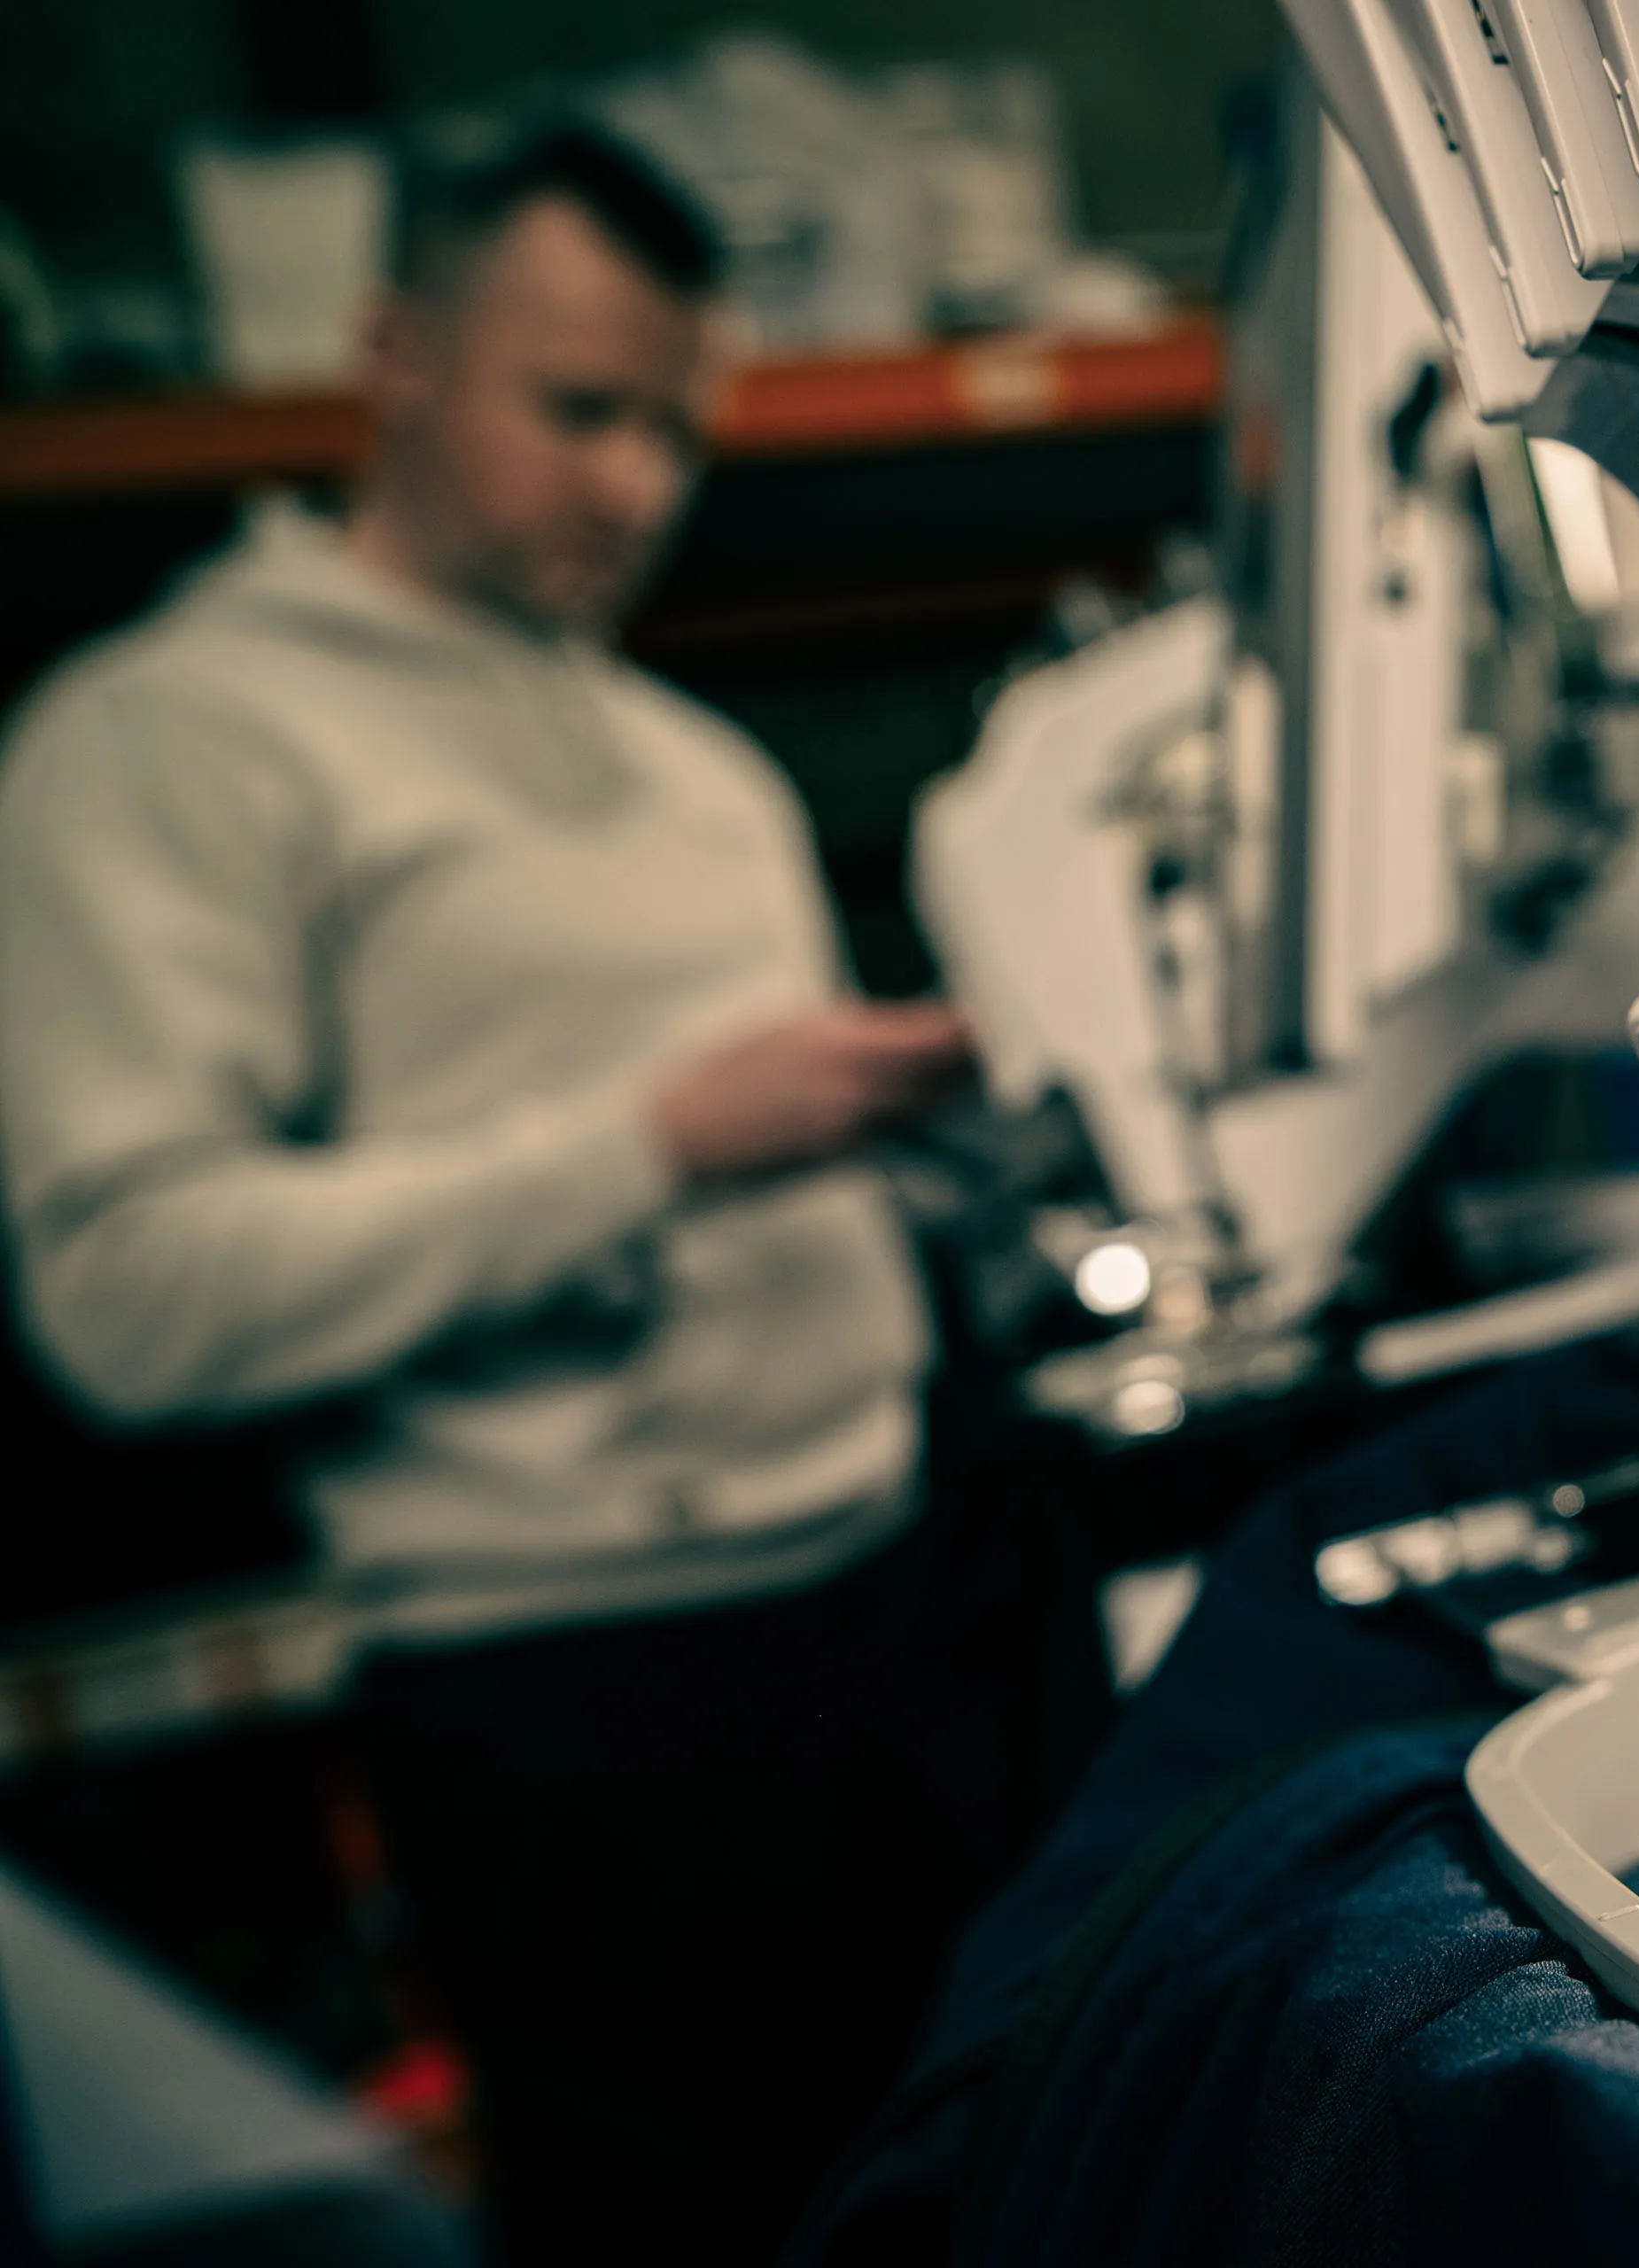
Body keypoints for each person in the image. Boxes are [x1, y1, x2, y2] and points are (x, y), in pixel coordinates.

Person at [0, 123, 1006, 2264]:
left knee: (997, 2199)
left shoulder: (686, 764)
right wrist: (647, 1144)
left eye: (677, 426)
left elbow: (775, 1167)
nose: (639, 487)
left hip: (901, 1596)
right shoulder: (170, 742)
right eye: (580, 410)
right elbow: (120, 1286)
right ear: (388, 350)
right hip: (586, 1698)